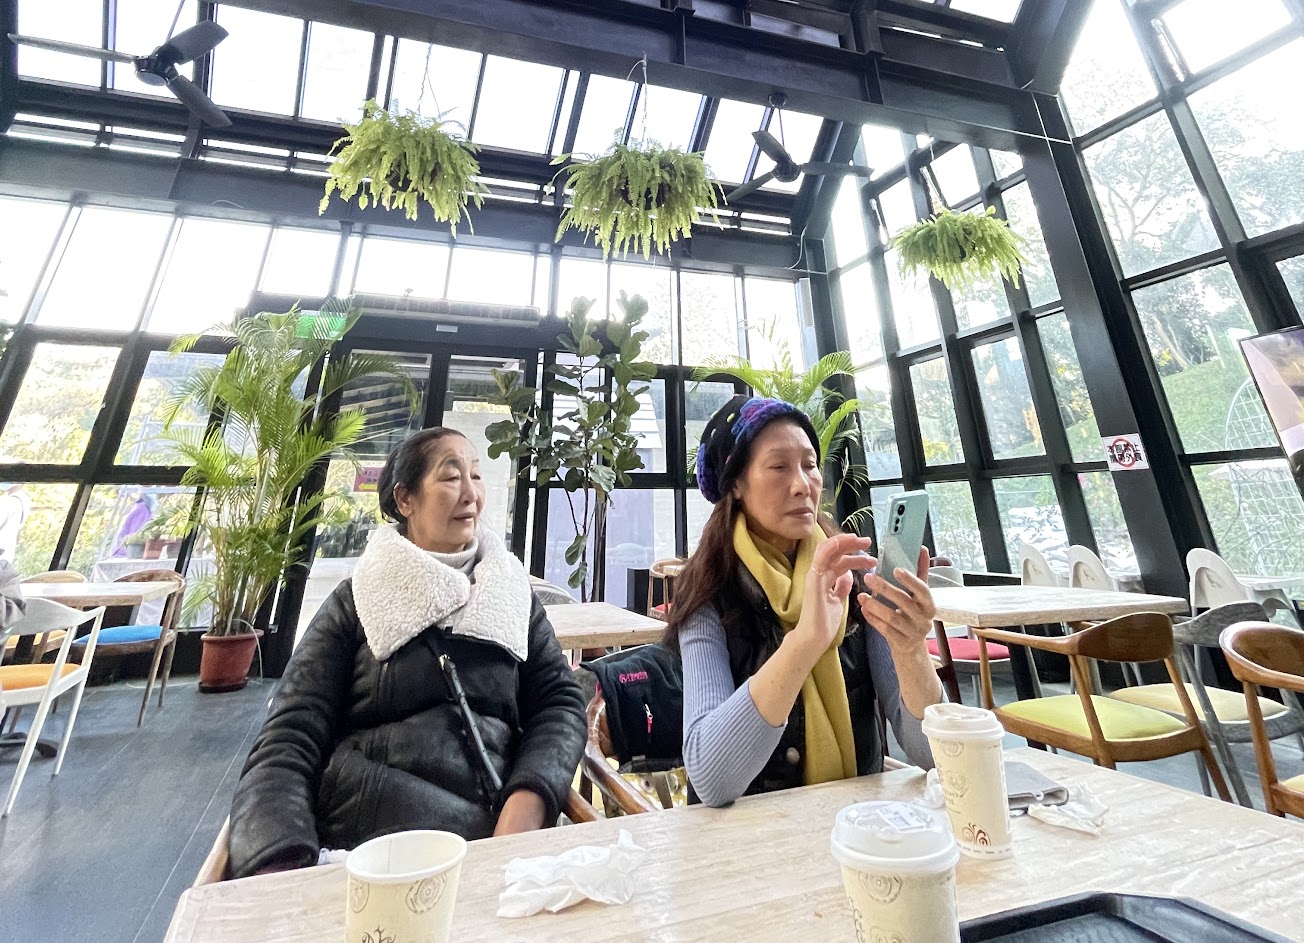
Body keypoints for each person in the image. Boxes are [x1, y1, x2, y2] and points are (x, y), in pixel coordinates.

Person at [227, 428, 586, 879]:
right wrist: (280, 861)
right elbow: (289, 735)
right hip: (361, 854)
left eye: (476, 476)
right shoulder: (358, 599)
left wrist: (526, 806)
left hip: (487, 848)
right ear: (405, 499)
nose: (471, 494)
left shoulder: (511, 594)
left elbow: (560, 705)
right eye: (451, 477)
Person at [666, 395, 941, 807]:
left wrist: (910, 650)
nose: (802, 485)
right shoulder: (708, 594)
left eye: (810, 465)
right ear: (736, 485)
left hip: (857, 828)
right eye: (779, 467)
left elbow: (933, 753)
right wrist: (806, 641)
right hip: (754, 838)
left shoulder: (855, 579)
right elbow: (711, 779)